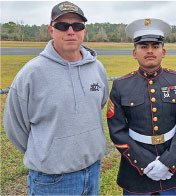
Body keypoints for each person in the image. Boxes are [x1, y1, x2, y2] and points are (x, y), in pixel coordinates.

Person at [3, 1, 109, 195]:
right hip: (52, 180)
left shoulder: (97, 68)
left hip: (93, 170)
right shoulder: (31, 74)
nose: (70, 31)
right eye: (62, 26)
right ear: (51, 30)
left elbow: (98, 105)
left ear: (84, 31)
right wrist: (47, 152)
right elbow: (15, 126)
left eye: (77, 26)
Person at [107, 18, 176, 195]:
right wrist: (144, 162)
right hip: (135, 171)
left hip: (172, 169)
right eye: (143, 46)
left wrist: (168, 161)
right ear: (134, 52)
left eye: (155, 46)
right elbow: (117, 131)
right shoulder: (121, 86)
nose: (149, 51)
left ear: (163, 51)